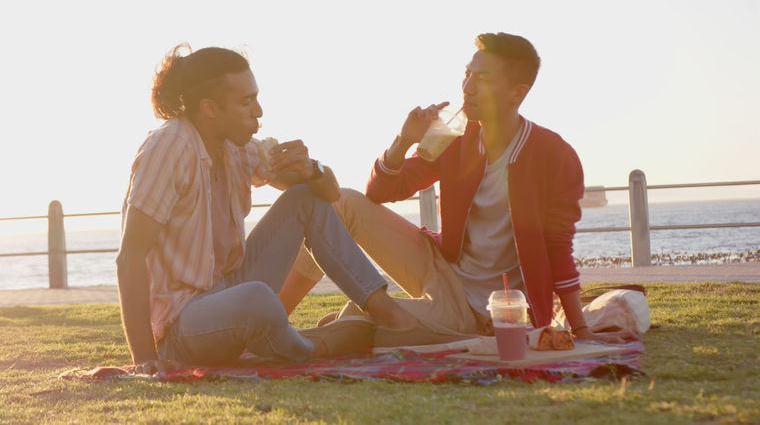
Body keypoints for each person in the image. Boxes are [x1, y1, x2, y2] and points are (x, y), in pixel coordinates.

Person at [279, 33, 638, 346]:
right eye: (466, 74)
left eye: (481, 78)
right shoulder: (453, 137)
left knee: (363, 320)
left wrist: (579, 328)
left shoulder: (554, 155)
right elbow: (381, 192)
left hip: (476, 308)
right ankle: (276, 316)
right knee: (342, 200)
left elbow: (558, 247)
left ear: (517, 92)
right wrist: (404, 141)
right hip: (440, 264)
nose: (466, 87)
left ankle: (352, 323)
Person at [116, 44, 412, 373]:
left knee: (305, 198)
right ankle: (315, 346)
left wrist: (312, 168)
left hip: (227, 291)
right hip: (182, 325)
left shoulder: (237, 148)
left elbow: (328, 194)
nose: (258, 111)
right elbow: (130, 256)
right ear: (210, 108)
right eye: (246, 101)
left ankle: (387, 314)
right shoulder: (169, 147)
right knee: (257, 299)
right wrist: (144, 359)